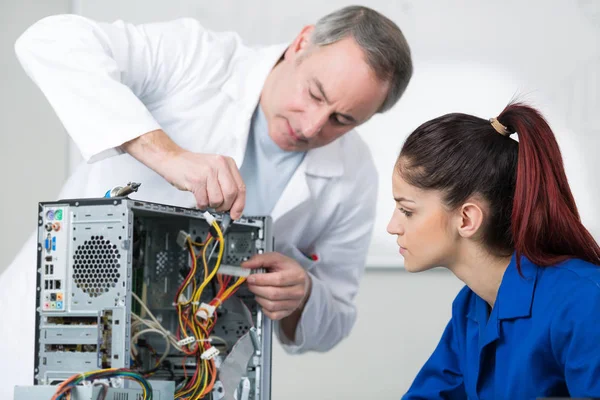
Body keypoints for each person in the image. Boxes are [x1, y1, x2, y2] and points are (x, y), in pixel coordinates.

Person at [0, 5, 413, 397]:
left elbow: (336, 317)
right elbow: (48, 40)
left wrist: (302, 295)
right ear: (302, 42)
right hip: (59, 338)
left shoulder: (353, 173)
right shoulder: (198, 59)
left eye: (342, 120)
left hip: (193, 373)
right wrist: (166, 154)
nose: (310, 126)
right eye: (315, 94)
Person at [387, 102, 600, 398]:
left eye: (407, 211)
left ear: (466, 218)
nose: (392, 226)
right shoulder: (470, 308)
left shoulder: (586, 302)